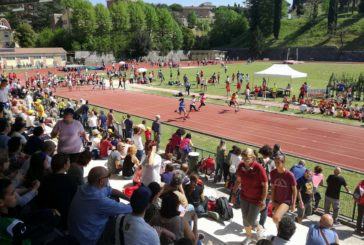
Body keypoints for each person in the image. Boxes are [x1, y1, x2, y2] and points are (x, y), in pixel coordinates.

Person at [68, 166, 132, 245]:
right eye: (108, 176)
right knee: (119, 219)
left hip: (77, 233)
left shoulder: (84, 187)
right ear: (101, 181)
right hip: (89, 239)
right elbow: (129, 209)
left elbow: (111, 190)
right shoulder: (99, 199)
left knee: (114, 198)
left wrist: (128, 198)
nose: (109, 178)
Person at [232, 148, 268, 244]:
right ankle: (249, 237)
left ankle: (259, 228)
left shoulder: (259, 168)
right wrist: (234, 193)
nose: (245, 161)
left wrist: (263, 200)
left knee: (250, 220)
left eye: (247, 158)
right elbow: (238, 180)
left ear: (253, 158)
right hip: (244, 197)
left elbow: (265, 185)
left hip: (256, 199)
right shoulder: (241, 166)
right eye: (243, 158)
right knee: (245, 219)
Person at [37, 153, 78, 229]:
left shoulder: (45, 178)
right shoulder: (70, 180)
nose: (70, 164)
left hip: (46, 212)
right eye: (68, 162)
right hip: (62, 216)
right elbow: (75, 197)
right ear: (65, 165)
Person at [270, 153, 297, 226]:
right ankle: (281, 233)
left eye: (278, 162)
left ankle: (282, 233)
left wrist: (293, 204)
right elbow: (273, 188)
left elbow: (294, 190)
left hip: (286, 201)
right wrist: (272, 201)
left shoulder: (289, 175)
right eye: (275, 162)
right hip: (276, 200)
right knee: (277, 220)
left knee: (276, 217)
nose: (276, 164)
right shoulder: (272, 173)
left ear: (283, 162)